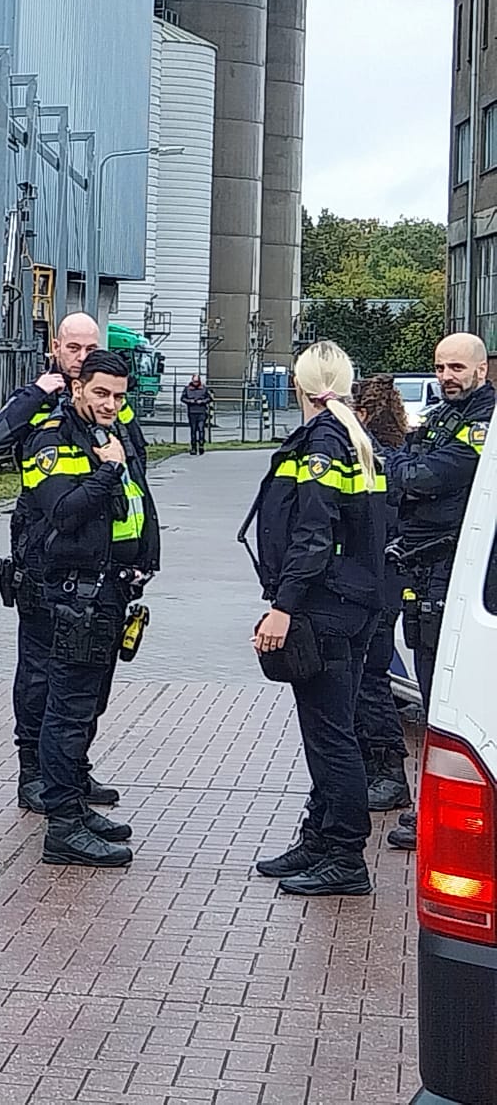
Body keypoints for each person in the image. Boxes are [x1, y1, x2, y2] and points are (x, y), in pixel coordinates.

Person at [0, 313, 142, 812]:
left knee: (85, 680)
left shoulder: (109, 399)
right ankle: (35, 772)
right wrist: (38, 391)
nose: (82, 356)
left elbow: (133, 462)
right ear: (55, 347)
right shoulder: (41, 402)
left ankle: (71, 770)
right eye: (74, 347)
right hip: (43, 558)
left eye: (91, 346)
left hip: (98, 567)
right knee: (40, 676)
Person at [247, 341, 388, 895]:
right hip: (354, 602)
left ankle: (345, 856)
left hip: (324, 608)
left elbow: (312, 535)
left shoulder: (323, 441)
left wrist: (283, 606)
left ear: (300, 388)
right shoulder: (357, 437)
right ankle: (321, 838)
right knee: (336, 730)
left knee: (330, 737)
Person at [20, 349, 152, 866]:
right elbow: (65, 513)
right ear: (76, 387)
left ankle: (75, 799)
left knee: (89, 706)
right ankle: (63, 827)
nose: (110, 404)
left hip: (110, 592)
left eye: (119, 397)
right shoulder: (51, 440)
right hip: (74, 595)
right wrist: (107, 473)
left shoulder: (111, 438)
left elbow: (138, 505)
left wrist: (145, 561)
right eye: (101, 393)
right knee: (67, 711)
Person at [384, 332, 492, 851]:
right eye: (440, 366)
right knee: (431, 691)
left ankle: (446, 813)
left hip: (456, 575)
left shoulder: (482, 422)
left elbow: (427, 476)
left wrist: (405, 470)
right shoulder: (443, 416)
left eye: (457, 367)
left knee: (448, 698)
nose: (446, 375)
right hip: (425, 572)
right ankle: (434, 808)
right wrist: (407, 468)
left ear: (481, 371)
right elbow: (410, 463)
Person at [349, 374, 412, 813]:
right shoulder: (400, 452)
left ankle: (388, 771)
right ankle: (378, 768)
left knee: (371, 677)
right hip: (388, 578)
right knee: (371, 675)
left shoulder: (375, 459)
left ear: (365, 414)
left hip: (378, 579)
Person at [182, 375, 213, 455]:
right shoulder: (187, 389)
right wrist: (190, 401)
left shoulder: (204, 388)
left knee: (201, 429)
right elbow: (183, 398)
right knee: (193, 430)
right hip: (192, 412)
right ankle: (193, 447)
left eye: (197, 381)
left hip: (201, 411)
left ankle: (201, 445)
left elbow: (209, 398)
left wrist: (202, 401)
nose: (195, 383)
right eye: (194, 381)